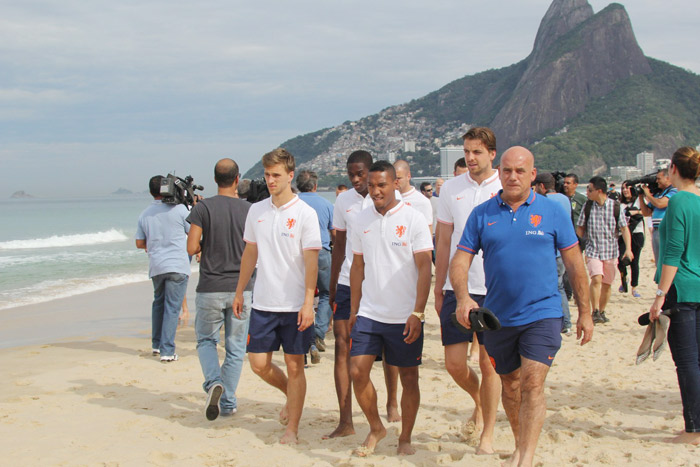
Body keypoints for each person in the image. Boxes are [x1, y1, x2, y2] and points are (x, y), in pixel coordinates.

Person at [451, 146, 594, 467]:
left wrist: (585, 311)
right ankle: (520, 445)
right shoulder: (482, 213)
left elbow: (574, 263)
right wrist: (462, 296)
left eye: (520, 171)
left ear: (532, 174)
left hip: (542, 312)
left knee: (531, 382)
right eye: (507, 171)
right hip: (498, 318)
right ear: (499, 173)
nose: (513, 177)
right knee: (511, 384)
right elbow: (459, 261)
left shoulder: (553, 211)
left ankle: (526, 458)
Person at [233, 148, 321, 444]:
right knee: (258, 363)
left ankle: (292, 429)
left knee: (296, 366)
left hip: (296, 304)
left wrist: (309, 303)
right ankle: (290, 394)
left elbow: (311, 262)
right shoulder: (256, 211)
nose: (270, 180)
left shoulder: (304, 213)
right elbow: (250, 253)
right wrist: (240, 291)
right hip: (264, 303)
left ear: (290, 176)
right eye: (267, 175)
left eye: (276, 175)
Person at [349, 161, 433, 456]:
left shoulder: (413, 218)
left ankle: (405, 437)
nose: (375, 191)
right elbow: (357, 266)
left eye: (381, 185)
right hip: (370, 313)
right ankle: (376, 427)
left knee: (409, 378)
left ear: (395, 184)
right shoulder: (360, 220)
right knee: (357, 371)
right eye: (371, 186)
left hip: (404, 315)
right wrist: (353, 310)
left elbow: (425, 268)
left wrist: (418, 312)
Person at [434, 126, 502, 454]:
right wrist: (438, 286)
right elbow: (444, 239)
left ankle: (487, 433)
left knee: (490, 364)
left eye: (477, 151)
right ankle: (479, 400)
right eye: (467, 151)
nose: (470, 157)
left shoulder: (506, 186)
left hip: (494, 288)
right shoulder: (451, 189)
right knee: (454, 364)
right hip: (456, 287)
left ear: (492, 153)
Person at [328, 150, 401, 439]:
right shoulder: (343, 202)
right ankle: (345, 420)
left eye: (361, 174)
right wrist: (332, 285)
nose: (357, 180)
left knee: (388, 345)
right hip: (348, 281)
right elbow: (339, 246)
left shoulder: (389, 199)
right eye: (352, 175)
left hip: (382, 282)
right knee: (342, 346)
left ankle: (392, 401)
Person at [186, 159, 252, 419]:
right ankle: (228, 403)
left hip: (210, 286)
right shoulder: (249, 210)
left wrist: (205, 245)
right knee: (236, 348)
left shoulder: (203, 208)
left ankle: (214, 381)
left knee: (206, 340)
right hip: (241, 287)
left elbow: (191, 248)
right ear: (237, 179)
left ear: (215, 180)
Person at [648, 146, 700, 445]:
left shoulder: (678, 201)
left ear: (674, 170)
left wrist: (659, 295)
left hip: (682, 288)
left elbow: (673, 253)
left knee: (687, 362)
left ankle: (693, 429)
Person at [135, 175, 191, 362]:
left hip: (156, 265)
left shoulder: (145, 214)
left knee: (158, 303)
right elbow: (193, 231)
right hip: (177, 264)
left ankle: (157, 344)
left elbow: (139, 242)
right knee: (172, 308)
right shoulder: (180, 210)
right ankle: (167, 350)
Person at [576, 176, 633, 324]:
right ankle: (594, 311)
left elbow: (624, 229)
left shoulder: (615, 207)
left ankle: (601, 311)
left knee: (607, 284)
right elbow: (580, 227)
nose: (587, 192)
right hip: (592, 249)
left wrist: (628, 249)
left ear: (599, 191)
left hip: (611, 251)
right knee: (596, 278)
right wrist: (577, 247)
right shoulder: (587, 207)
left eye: (590, 189)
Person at [296, 170, 334, 364]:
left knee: (301, 298)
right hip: (322, 253)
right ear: (315, 186)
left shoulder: (293, 204)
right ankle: (318, 332)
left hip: (299, 254)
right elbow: (334, 231)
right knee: (326, 294)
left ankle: (304, 342)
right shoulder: (327, 205)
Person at [532, 172, 573, 334]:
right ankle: (566, 321)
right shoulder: (565, 199)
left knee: (550, 286)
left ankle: (559, 321)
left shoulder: (544, 201)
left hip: (549, 251)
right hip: (562, 250)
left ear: (542, 186)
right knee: (560, 286)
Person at [639, 168, 677, 263]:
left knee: (666, 261)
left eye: (659, 178)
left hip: (666, 230)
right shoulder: (658, 194)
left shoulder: (674, 191)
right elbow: (646, 212)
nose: (657, 181)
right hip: (656, 230)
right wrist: (640, 197)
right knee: (659, 261)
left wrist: (648, 194)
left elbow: (660, 204)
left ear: (667, 178)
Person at [617, 182, 645, 298]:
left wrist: (636, 212)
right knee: (620, 261)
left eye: (628, 188)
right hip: (623, 234)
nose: (625, 190)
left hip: (637, 233)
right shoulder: (619, 203)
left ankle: (635, 287)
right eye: (623, 188)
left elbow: (647, 212)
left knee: (635, 261)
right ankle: (624, 280)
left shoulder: (639, 201)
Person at [394, 160, 433, 234]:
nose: (396, 181)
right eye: (393, 179)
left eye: (398, 178)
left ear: (408, 176)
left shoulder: (422, 202)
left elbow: (427, 233)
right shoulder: (388, 199)